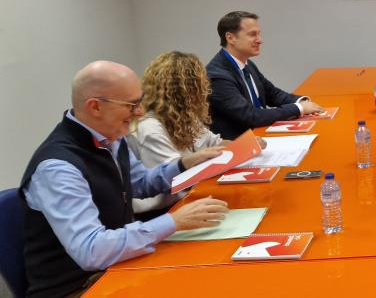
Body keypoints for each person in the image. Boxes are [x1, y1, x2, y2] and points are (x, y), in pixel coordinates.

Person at [19, 61, 230, 297]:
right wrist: (173, 222)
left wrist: (184, 164)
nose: (140, 112)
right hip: (80, 287)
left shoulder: (110, 137)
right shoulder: (58, 168)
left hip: (119, 266)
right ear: (95, 107)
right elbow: (92, 250)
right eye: (132, 105)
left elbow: (139, 184)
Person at [132, 51, 252, 216]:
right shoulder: (151, 128)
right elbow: (176, 179)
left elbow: (215, 143)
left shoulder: (185, 116)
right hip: (165, 210)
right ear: (186, 91)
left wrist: (246, 145)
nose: (206, 90)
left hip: (190, 197)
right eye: (200, 85)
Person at [207, 11, 324, 139]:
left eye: (259, 34)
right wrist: (299, 108)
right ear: (230, 38)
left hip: (260, 135)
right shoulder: (217, 76)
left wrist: (303, 102)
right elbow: (251, 116)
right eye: (252, 35)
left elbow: (273, 94)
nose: (260, 40)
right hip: (240, 145)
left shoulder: (247, 64)